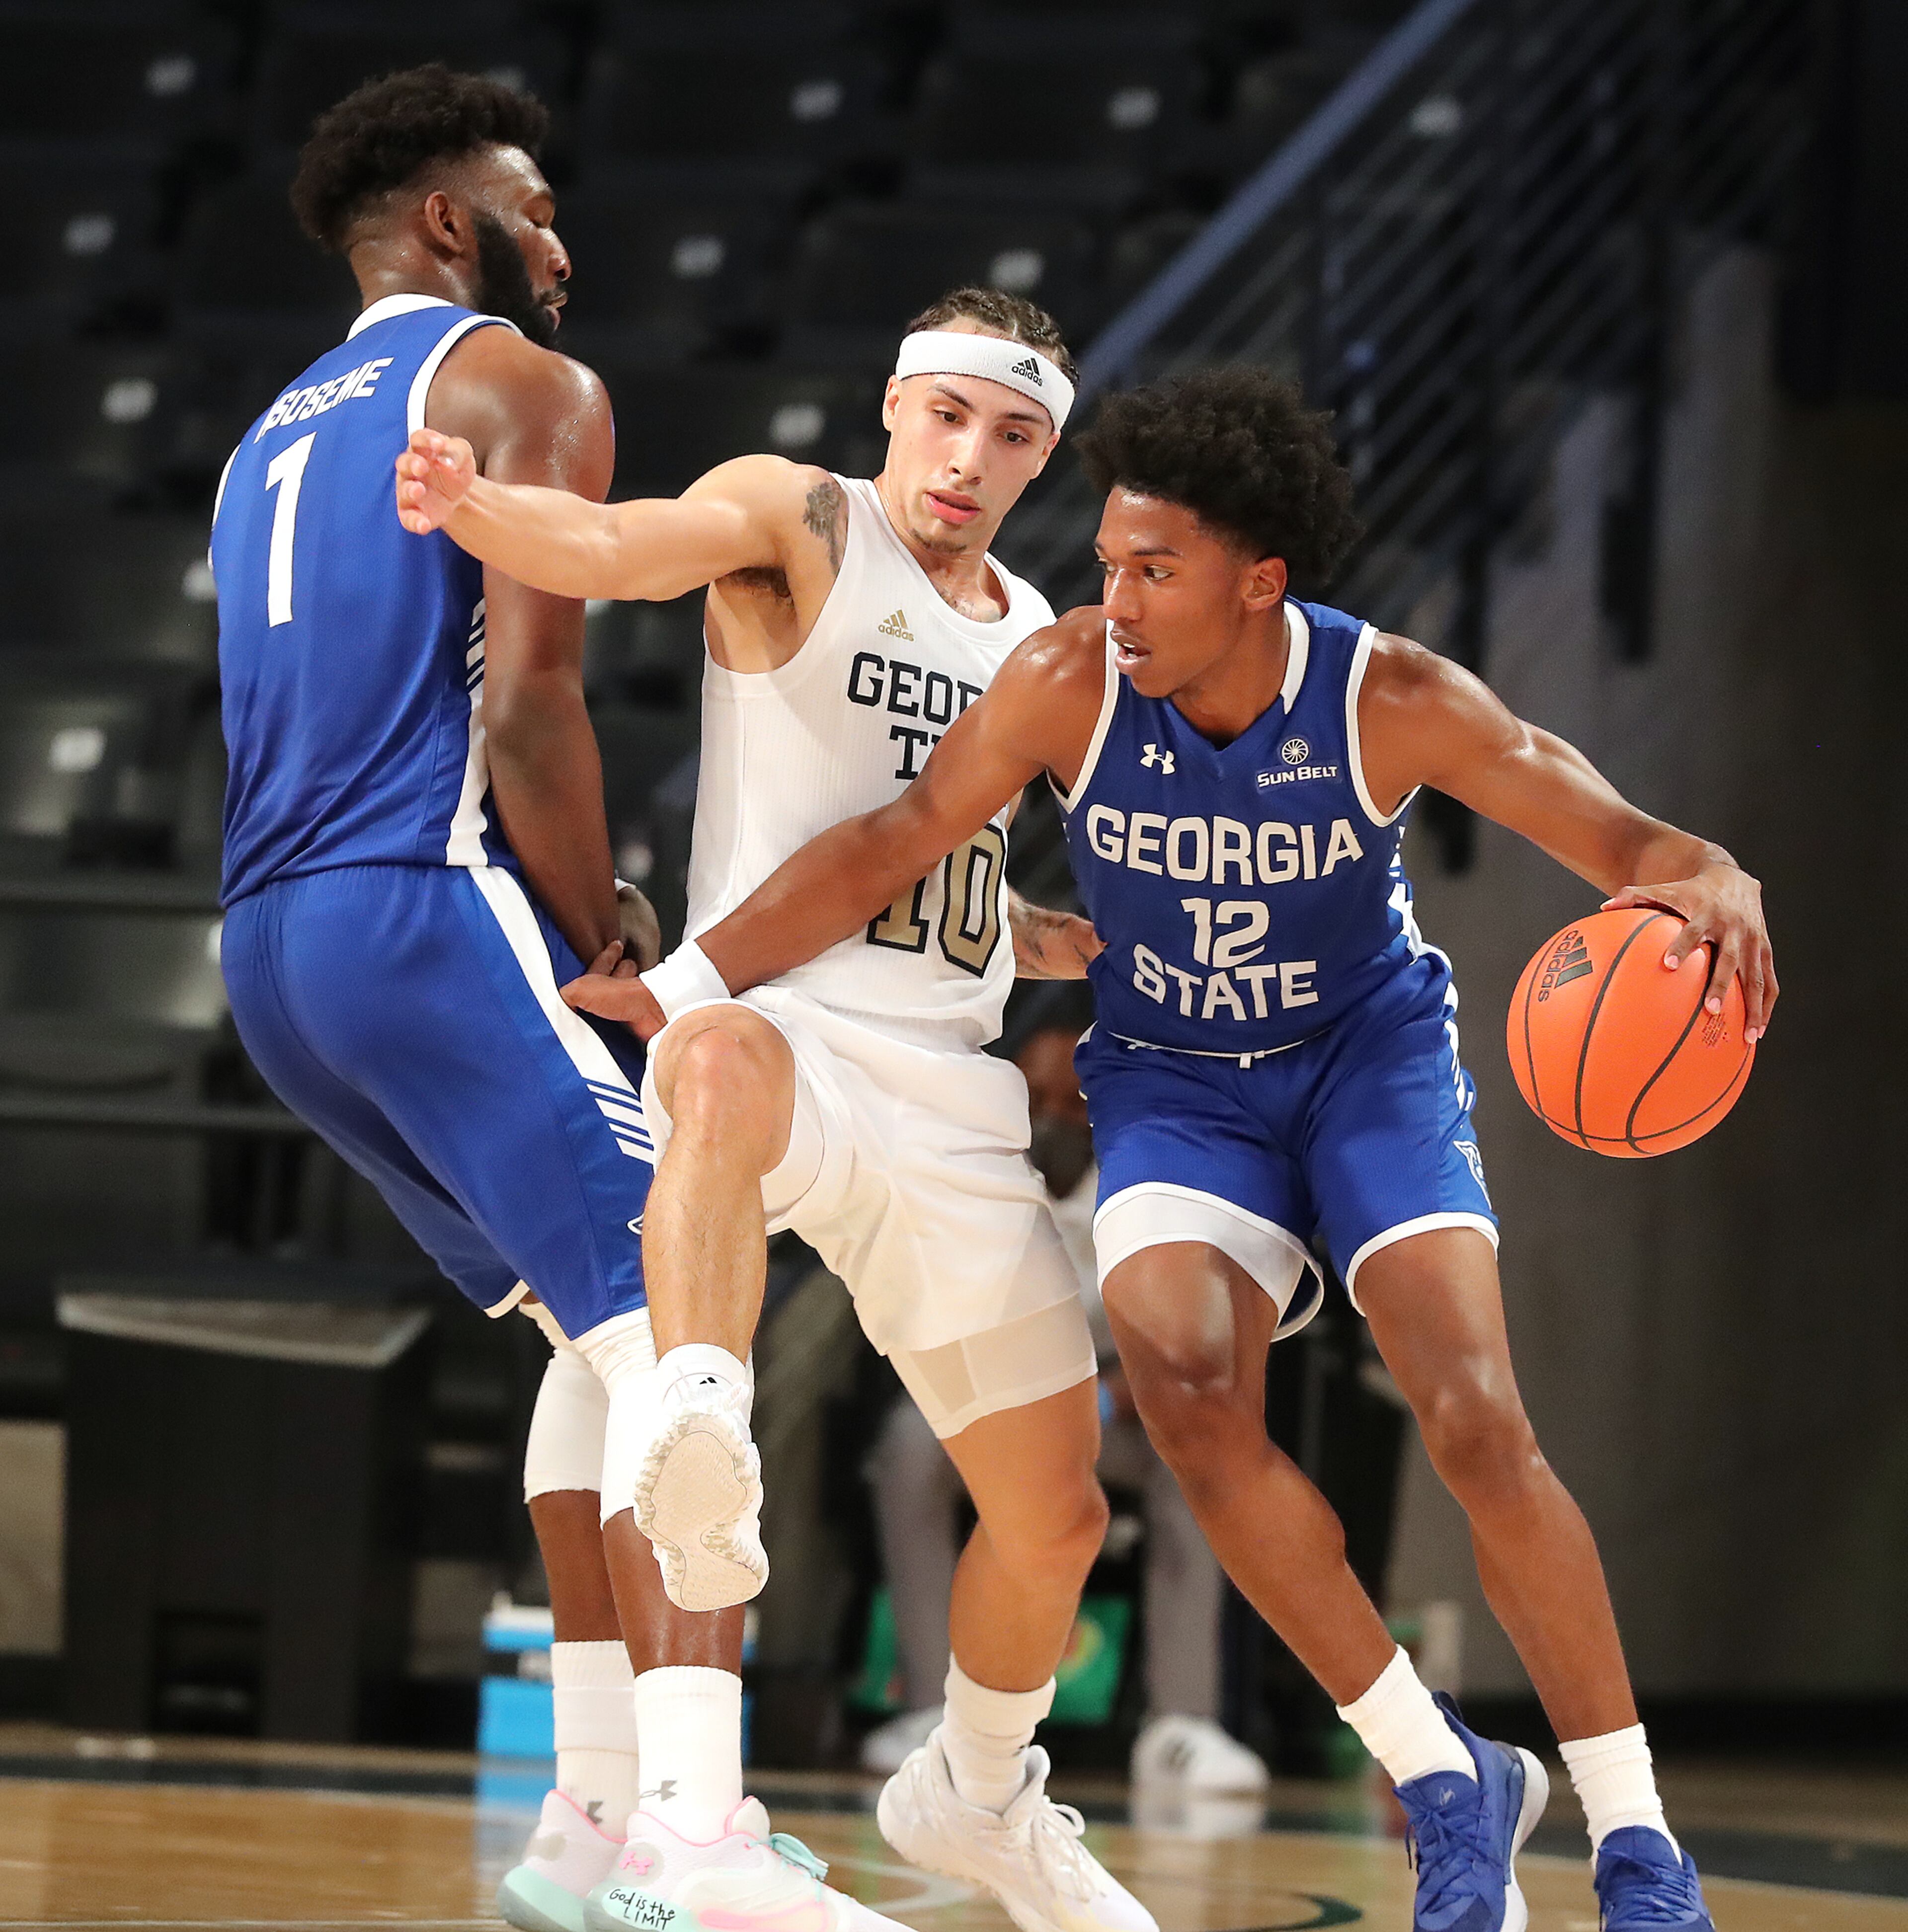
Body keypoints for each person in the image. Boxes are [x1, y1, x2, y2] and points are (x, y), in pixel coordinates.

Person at [558, 368, 1778, 1932]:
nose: (1112, 596)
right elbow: (888, 845)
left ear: (1258, 583)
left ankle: (1637, 1839)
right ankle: (1444, 1771)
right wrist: (682, 987)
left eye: (1155, 570)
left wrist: (1713, 870)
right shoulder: (1070, 681)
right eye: (1109, 561)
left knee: (1475, 1417)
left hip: (1362, 1065)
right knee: (1189, 1397)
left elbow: (1629, 848)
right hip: (1178, 1077)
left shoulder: (1389, 695)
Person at [211, 66, 899, 1932]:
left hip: (272, 952)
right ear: (449, 223)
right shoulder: (519, 388)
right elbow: (526, 706)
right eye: (531, 201)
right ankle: (698, 1835)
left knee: (588, 1334)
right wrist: (613, 935)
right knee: (689, 1322)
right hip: (422, 909)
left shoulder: (268, 431)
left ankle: (588, 1833)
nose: (563, 240)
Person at [397, 291, 1156, 1932]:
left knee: (1059, 1511)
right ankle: (671, 1709)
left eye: (1012, 433)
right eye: (947, 415)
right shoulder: (801, 520)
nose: (970, 456)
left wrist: (1010, 929)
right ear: (895, 407)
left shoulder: (1032, 626)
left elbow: (919, 840)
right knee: (705, 1085)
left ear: (1046, 457)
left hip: (952, 1101)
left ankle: (977, 1792)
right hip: (789, 1042)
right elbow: (615, 542)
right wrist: (475, 503)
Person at [862, 1020, 1269, 1799]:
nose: (1050, 1117)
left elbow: (1187, 1338)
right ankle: (932, 1709)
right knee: (908, 1443)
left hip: (1116, 1413)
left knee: (1199, 1453)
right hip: (997, 1403)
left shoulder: (1142, 1182)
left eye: (1067, 1101)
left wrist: (1111, 1396)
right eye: (1034, 1099)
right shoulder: (971, 1177)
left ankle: (1183, 1723)